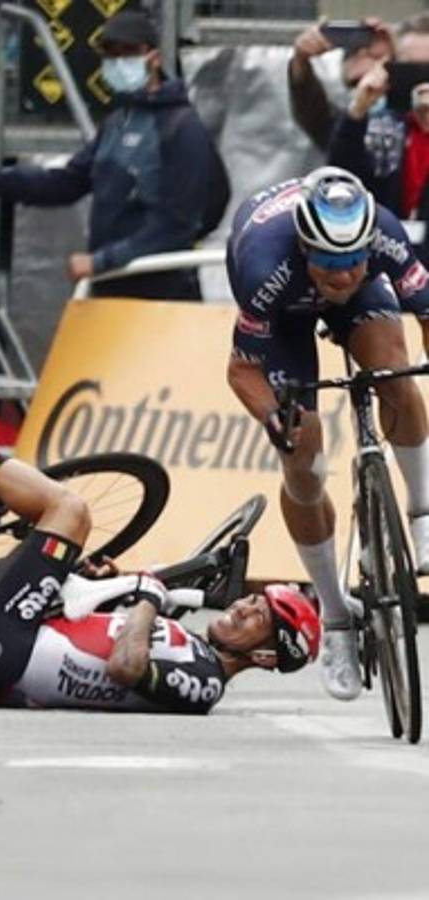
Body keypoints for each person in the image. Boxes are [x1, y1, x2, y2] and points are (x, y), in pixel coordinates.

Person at [0, 372, 323, 714]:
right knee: (65, 539)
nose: (242, 606)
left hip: (5, 646)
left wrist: (148, 599)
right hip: (13, 644)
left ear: (266, 656)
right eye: (253, 600)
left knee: (71, 511)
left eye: (259, 616)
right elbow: (107, 642)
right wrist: (112, 594)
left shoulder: (205, 685)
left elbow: (125, 667)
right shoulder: (195, 652)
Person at [225, 165, 429, 703]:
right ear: (305, 246)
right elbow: (241, 370)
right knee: (304, 458)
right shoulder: (263, 268)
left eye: (353, 261)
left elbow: (426, 314)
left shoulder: (384, 235)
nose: (342, 275)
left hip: (361, 299)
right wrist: (274, 418)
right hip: (285, 314)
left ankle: (423, 511)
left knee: (396, 375)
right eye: (330, 263)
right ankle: (336, 614)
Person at [0, 8, 225, 300]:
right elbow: (65, 182)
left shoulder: (182, 128)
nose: (118, 61)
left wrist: (101, 261)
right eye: (110, 53)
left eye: (127, 52)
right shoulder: (118, 123)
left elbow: (178, 226)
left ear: (153, 57)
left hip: (161, 296)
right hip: (111, 288)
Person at [328, 14, 429, 259]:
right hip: (386, 261)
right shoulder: (381, 126)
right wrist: (357, 110)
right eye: (411, 68)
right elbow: (341, 183)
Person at [288, 17, 395, 154]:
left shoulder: (407, 118)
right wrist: (300, 60)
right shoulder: (338, 125)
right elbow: (312, 111)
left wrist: (396, 57)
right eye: (355, 52)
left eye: (373, 56)